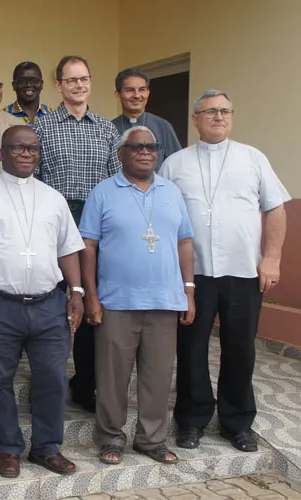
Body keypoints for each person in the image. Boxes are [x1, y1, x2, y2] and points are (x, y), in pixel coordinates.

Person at [161, 90, 290, 453]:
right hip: (195, 274)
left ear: (231, 116)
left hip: (243, 271)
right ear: (195, 118)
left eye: (225, 111)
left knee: (240, 348)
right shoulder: (175, 163)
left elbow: (276, 209)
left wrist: (272, 258)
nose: (218, 117)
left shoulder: (253, 158)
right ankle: (191, 419)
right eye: (210, 111)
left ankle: (237, 422)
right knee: (191, 348)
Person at [0, 125, 85, 479]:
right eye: (17, 148)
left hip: (48, 304)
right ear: (1, 154)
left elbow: (68, 249)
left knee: (53, 378)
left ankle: (46, 447)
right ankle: (8, 448)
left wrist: (77, 291)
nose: (26, 154)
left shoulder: (53, 198)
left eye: (32, 149)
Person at [79, 126, 195, 466]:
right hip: (117, 302)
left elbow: (184, 242)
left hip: (164, 301)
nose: (145, 152)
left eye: (151, 147)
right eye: (137, 147)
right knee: (112, 376)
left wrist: (189, 290)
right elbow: (88, 245)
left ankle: (151, 440)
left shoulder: (172, 191)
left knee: (158, 376)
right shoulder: (103, 192)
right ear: (121, 154)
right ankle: (111, 437)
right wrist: (91, 296)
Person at [34, 55, 122, 413]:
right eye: (71, 80)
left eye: (84, 78)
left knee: (90, 303)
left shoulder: (106, 130)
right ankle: (48, 382)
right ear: (58, 85)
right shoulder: (43, 128)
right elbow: (32, 181)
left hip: (97, 226)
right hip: (55, 222)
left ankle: (85, 383)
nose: (79, 85)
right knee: (54, 303)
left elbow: (118, 182)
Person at [110, 68, 182, 169]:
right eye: (130, 90)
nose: (137, 95)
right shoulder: (109, 129)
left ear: (148, 92)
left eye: (142, 90)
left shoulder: (163, 126)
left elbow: (177, 166)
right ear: (118, 95)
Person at [5, 61, 51, 126]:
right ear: (14, 85)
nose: (28, 85)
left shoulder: (52, 114)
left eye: (34, 81)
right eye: (22, 81)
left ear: (41, 84)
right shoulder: (3, 116)